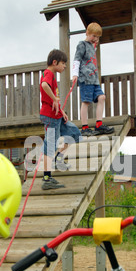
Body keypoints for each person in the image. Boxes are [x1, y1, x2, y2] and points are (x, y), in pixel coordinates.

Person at [40, 49, 81, 190]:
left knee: (75, 133)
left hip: (57, 116)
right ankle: (47, 178)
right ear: (55, 62)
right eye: (63, 63)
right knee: (50, 146)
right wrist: (55, 99)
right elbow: (44, 86)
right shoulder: (48, 73)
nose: (64, 67)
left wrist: (61, 111)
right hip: (50, 118)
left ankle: (59, 158)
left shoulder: (52, 75)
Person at [72, 22, 114, 137]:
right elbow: (77, 59)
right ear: (87, 33)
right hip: (85, 78)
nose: (95, 39)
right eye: (93, 36)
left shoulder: (92, 46)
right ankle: (85, 127)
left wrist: (95, 44)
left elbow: (90, 56)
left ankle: (99, 124)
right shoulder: (82, 45)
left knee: (102, 97)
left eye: (97, 37)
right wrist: (75, 74)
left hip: (94, 79)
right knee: (86, 101)